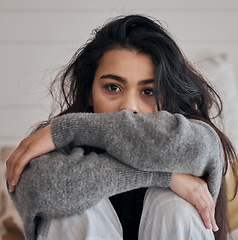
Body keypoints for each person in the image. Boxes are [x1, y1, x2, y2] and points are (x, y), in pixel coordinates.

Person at [6, 15, 237, 240]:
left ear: (168, 96)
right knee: (70, 206)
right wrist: (165, 176)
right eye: (113, 87)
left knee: (176, 205)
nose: (129, 107)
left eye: (148, 91)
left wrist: (69, 128)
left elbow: (177, 147)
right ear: (89, 91)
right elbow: (43, 190)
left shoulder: (195, 135)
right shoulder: (48, 142)